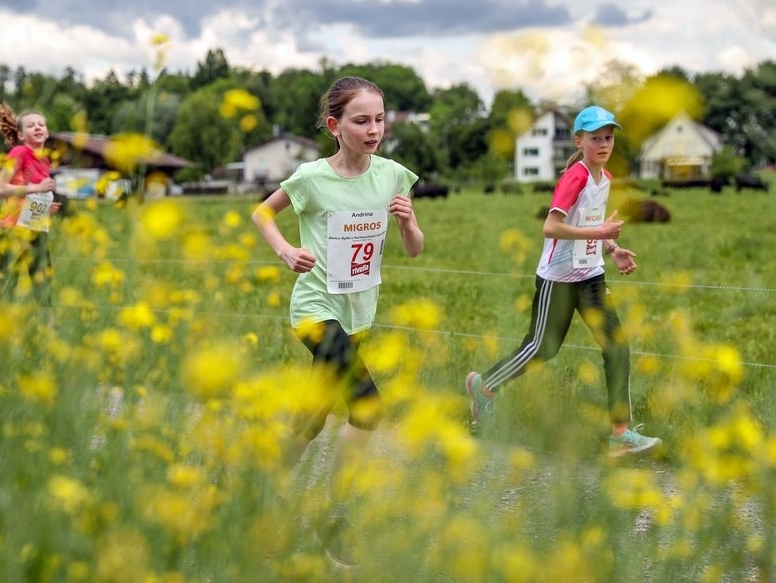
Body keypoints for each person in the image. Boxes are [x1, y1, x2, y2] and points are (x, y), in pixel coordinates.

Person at [251, 76, 424, 568]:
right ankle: (335, 520)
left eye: (380, 119)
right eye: (362, 120)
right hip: (314, 311)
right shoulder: (311, 177)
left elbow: (414, 250)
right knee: (368, 408)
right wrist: (286, 250)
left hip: (358, 315)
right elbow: (262, 214)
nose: (374, 129)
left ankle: (257, 488)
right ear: (335, 126)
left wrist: (409, 223)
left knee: (311, 420)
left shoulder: (393, 175)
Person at [464, 105, 661, 458]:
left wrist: (611, 247)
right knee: (543, 347)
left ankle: (620, 432)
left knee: (617, 346)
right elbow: (551, 227)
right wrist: (600, 231)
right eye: (596, 138)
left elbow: (589, 221)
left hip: (591, 276)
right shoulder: (576, 177)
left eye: (609, 138)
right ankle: (484, 387)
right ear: (579, 141)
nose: (604, 144)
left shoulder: (605, 179)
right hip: (558, 278)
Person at [0, 102, 60, 326]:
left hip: (37, 230)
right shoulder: (19, 152)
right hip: (13, 231)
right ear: (21, 134)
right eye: (31, 126)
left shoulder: (45, 161)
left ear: (47, 132)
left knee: (44, 285)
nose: (38, 128)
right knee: (8, 288)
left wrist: (45, 208)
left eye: (41, 124)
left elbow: (29, 200)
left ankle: (49, 333)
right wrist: (37, 189)